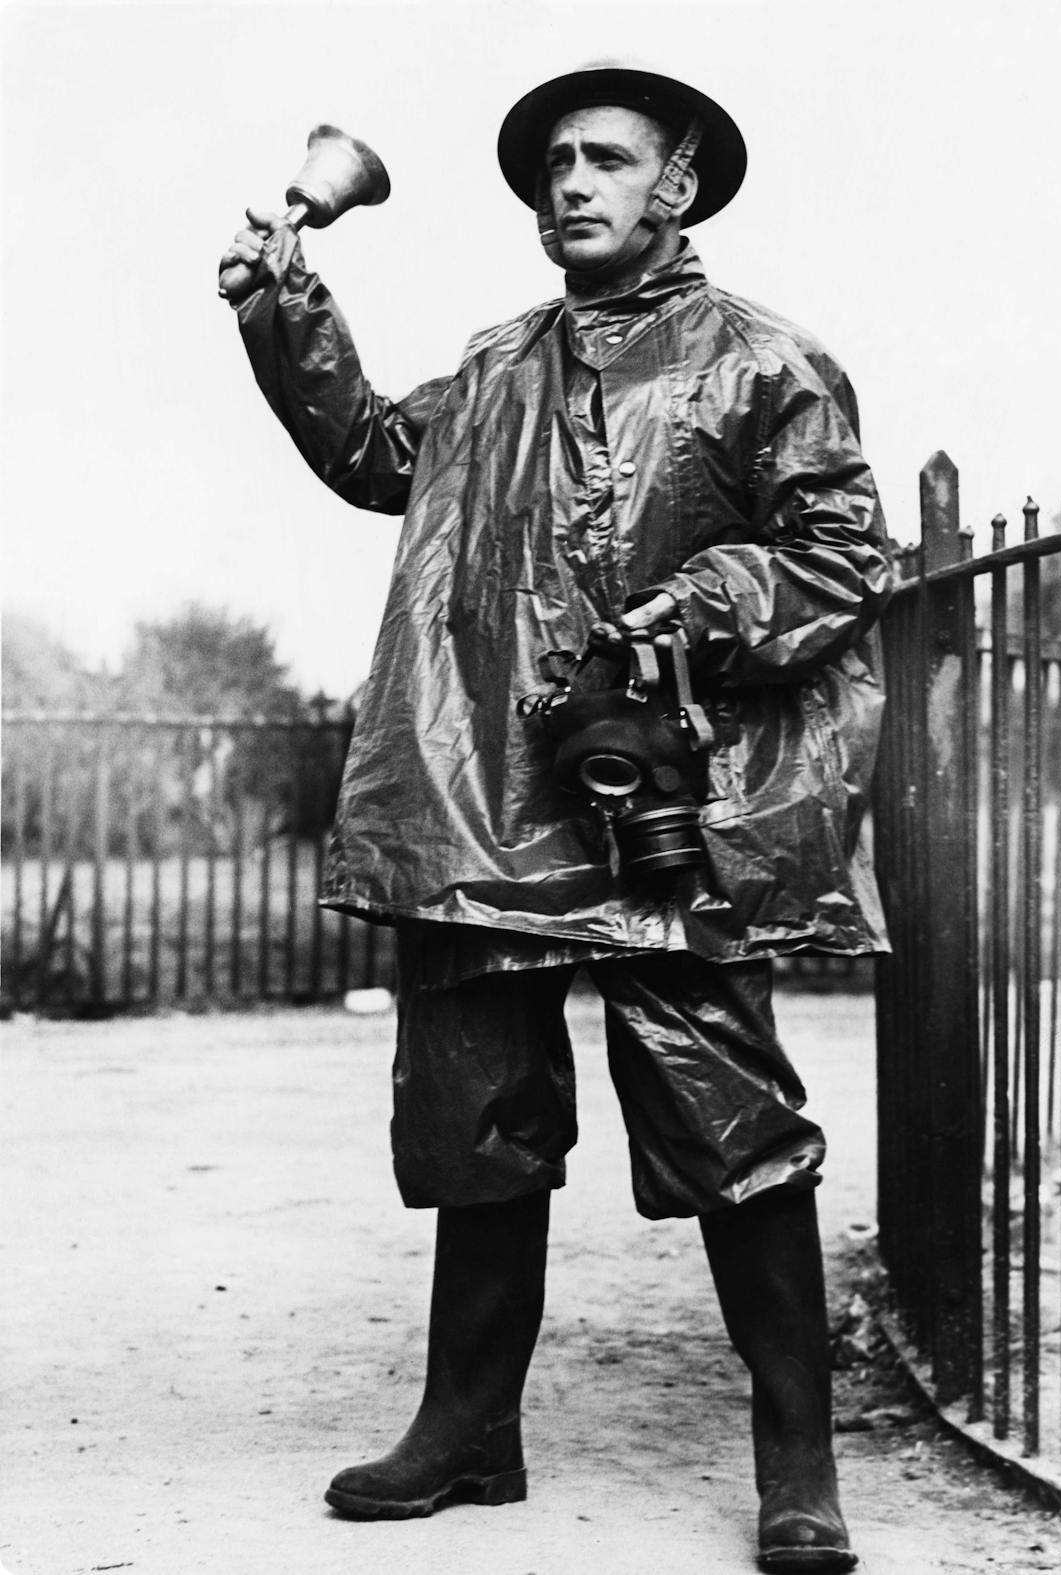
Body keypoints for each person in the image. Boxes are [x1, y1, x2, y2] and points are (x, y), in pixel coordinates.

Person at [219, 62, 890, 1575]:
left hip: (669, 807)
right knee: (476, 1127)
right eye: (548, 170)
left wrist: (702, 604)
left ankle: (797, 1464)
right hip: (486, 806)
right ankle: (467, 1434)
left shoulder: (767, 363)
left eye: (601, 160)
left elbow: (842, 551)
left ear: (681, 184)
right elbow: (378, 456)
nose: (566, 186)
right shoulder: (496, 363)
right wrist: (285, 311)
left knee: (734, 1129)